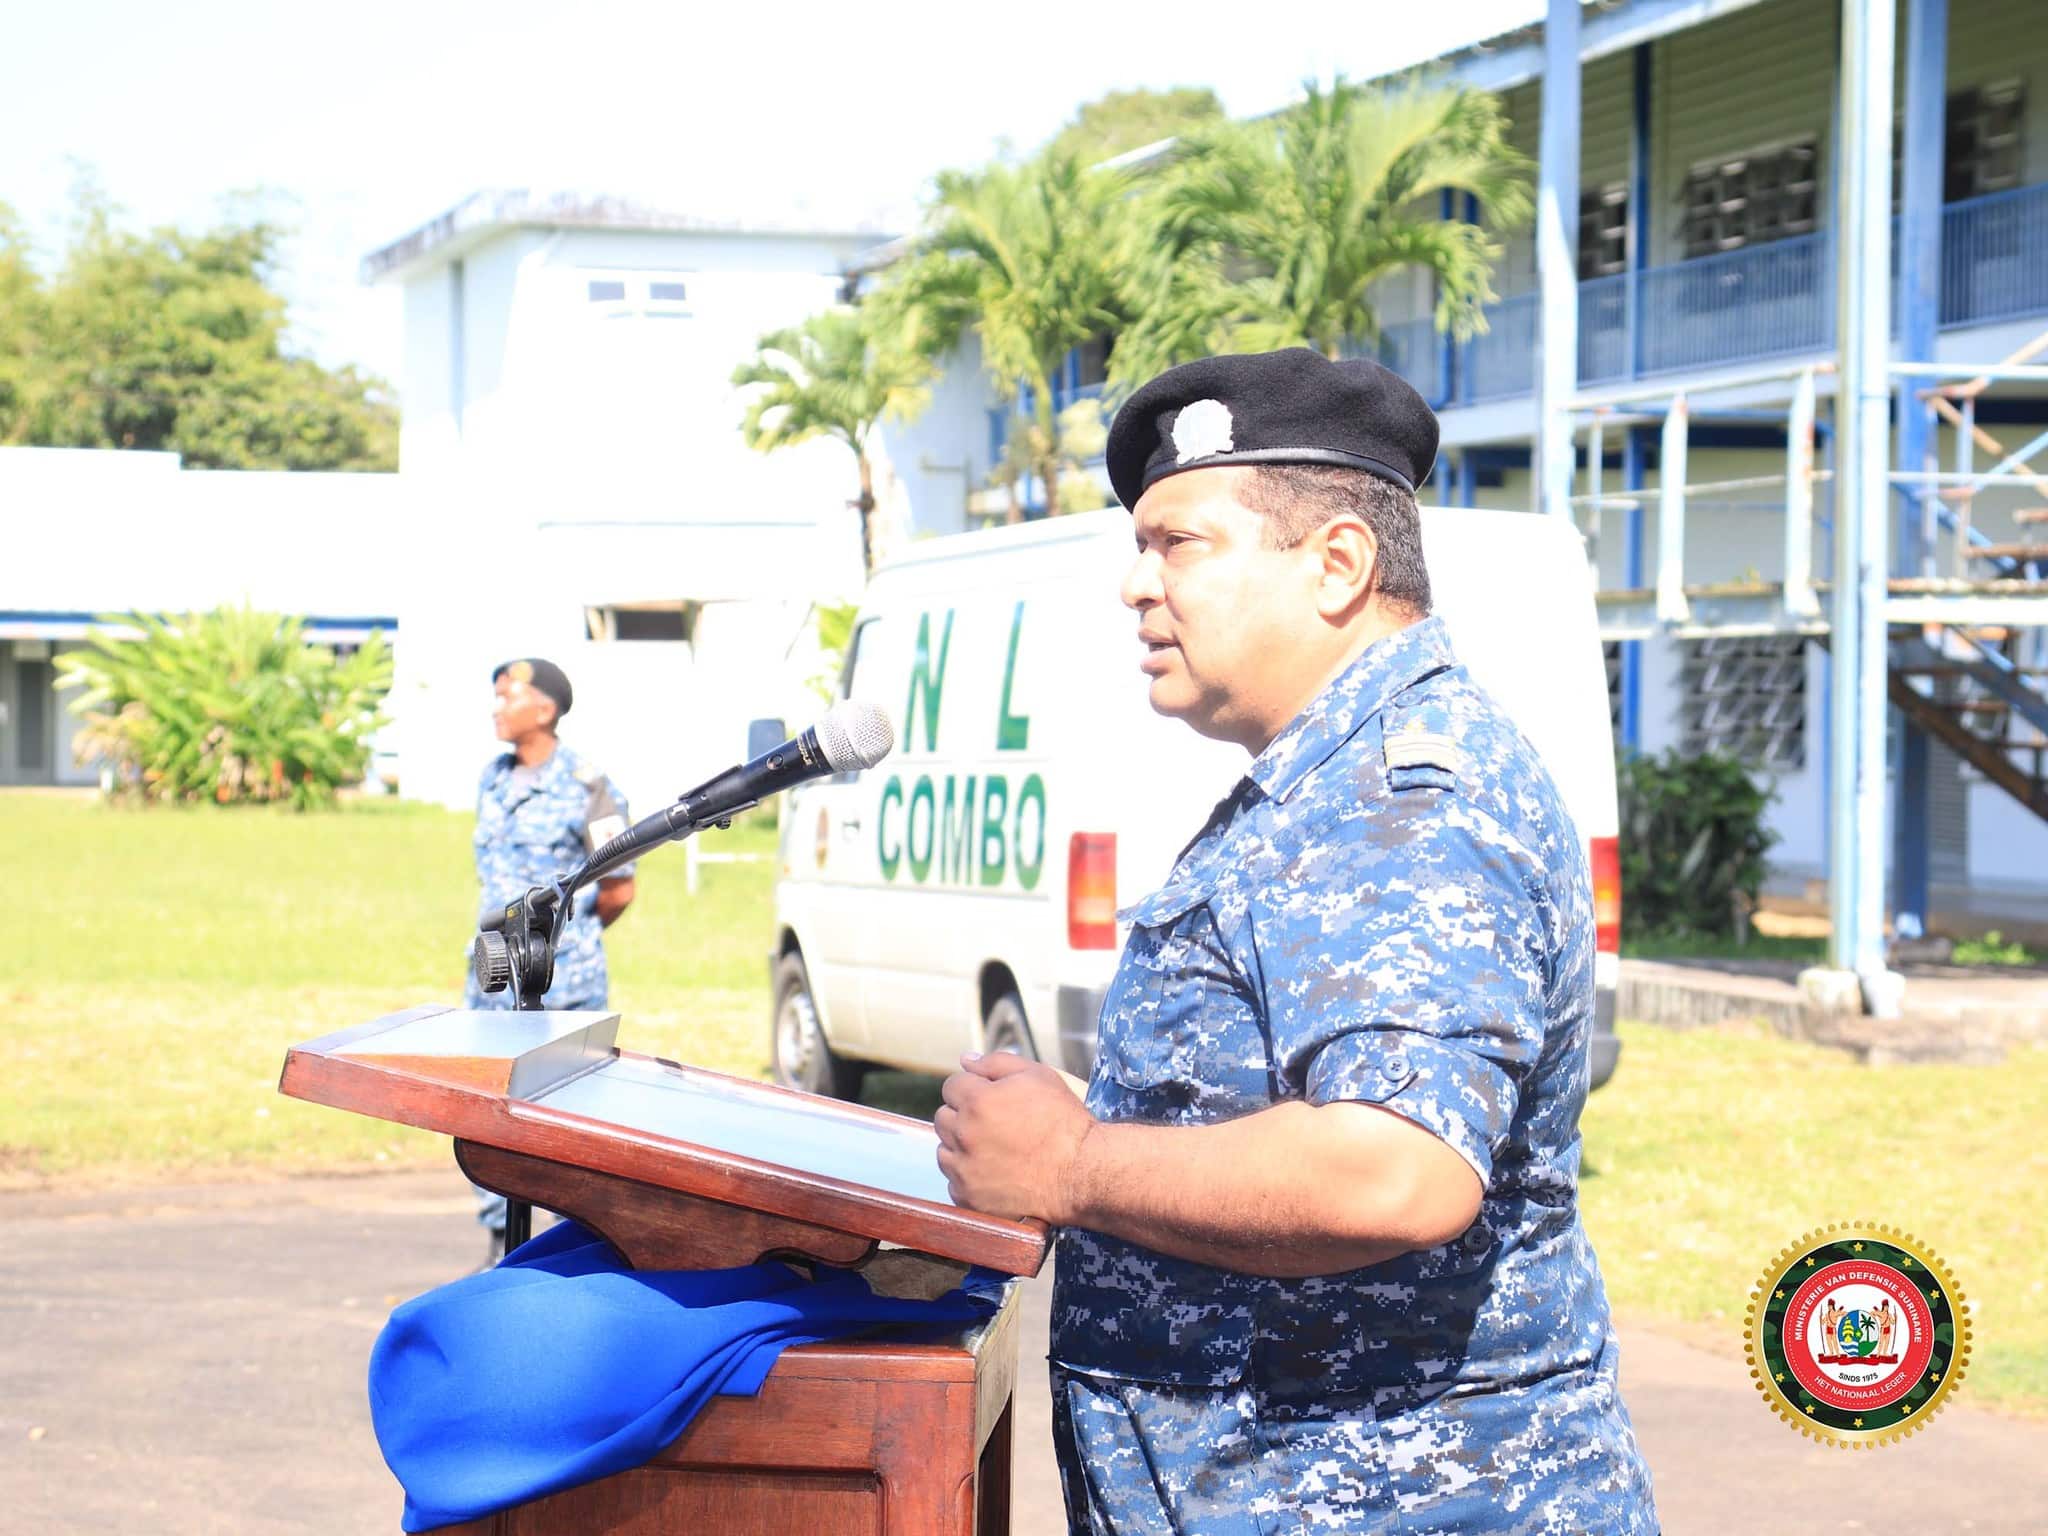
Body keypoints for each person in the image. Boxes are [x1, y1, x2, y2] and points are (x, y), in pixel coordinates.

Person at [933, 349, 1658, 1532]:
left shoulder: (1406, 796)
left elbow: (1392, 1169)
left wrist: (1072, 1165)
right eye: (1139, 545)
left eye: (1180, 544)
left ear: (1336, 564)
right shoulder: (1328, 779)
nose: (1135, 584)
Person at [464, 657, 637, 1264]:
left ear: (545, 709)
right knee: (489, 1111)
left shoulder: (592, 785)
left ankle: (569, 1256)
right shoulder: (492, 777)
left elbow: (618, 885)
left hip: (564, 982)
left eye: (508, 695)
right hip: (493, 978)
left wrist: (564, 943)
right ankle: (497, 1250)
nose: (496, 707)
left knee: (569, 1118)